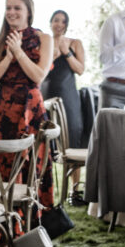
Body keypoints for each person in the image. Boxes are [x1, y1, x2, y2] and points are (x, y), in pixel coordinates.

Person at [0, 0, 55, 211]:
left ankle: (31, 219)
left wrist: (19, 52)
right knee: (2, 161)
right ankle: (1, 219)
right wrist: (8, 57)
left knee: (30, 162)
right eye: (8, 8)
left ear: (28, 12)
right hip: (2, 109)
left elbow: (38, 76)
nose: (11, 12)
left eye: (17, 8)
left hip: (30, 109)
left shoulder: (44, 39)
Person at [41, 10, 86, 149]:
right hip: (46, 94)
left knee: (72, 136)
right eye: (56, 20)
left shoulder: (75, 43)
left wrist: (66, 52)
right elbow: (39, 71)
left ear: (67, 25)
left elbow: (80, 69)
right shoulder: (43, 43)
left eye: (63, 21)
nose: (59, 24)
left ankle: (73, 170)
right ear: (50, 23)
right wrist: (52, 56)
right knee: (46, 139)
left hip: (68, 97)